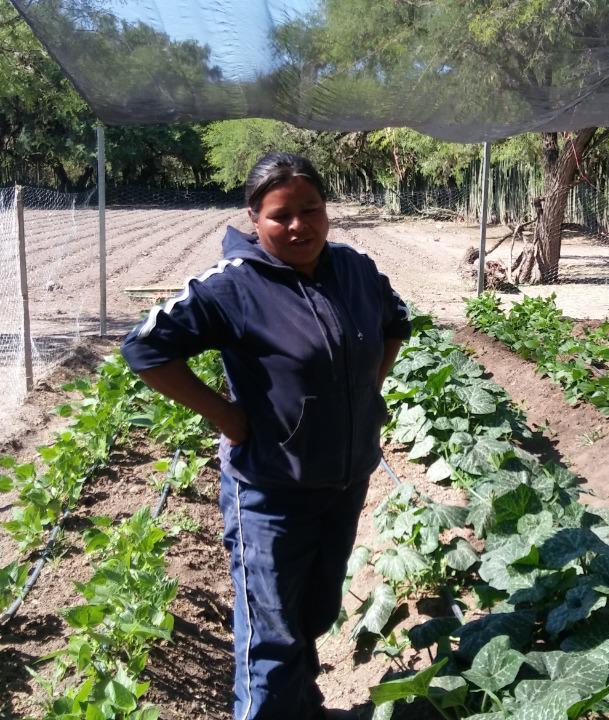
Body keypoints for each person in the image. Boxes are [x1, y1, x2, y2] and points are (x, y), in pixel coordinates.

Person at [120, 152, 411, 720]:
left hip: (346, 481)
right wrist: (225, 416)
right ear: (255, 217)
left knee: (314, 613)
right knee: (271, 637)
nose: (299, 225)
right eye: (282, 215)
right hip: (271, 491)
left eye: (311, 209)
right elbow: (143, 349)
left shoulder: (355, 270)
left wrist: (367, 391)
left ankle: (302, 704)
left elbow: (393, 323)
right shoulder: (231, 286)